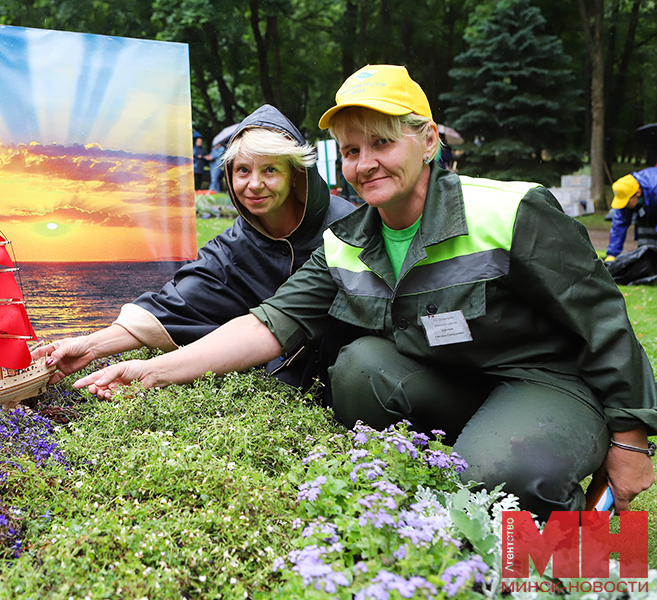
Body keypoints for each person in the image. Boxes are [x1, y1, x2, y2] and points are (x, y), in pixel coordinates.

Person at [76, 65, 657, 520]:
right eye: (352, 151)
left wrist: (630, 441)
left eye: (382, 143)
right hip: (456, 379)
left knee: (496, 476)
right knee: (358, 368)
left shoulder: (509, 209)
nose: (365, 163)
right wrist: (150, 372)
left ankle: (573, 548)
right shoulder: (347, 241)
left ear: (427, 140)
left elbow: (602, 317)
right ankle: (446, 488)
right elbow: (265, 324)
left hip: (545, 381)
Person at [33, 104, 356, 388]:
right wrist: (91, 346)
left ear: (296, 174)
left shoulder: (346, 228)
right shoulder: (234, 245)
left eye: (270, 170)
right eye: (243, 170)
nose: (254, 184)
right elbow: (175, 304)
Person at [605, 167, 657, 261]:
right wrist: (612, 255)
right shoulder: (627, 188)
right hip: (650, 209)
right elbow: (619, 224)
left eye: (626, 202)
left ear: (638, 192)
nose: (625, 206)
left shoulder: (654, 186)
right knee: (647, 250)